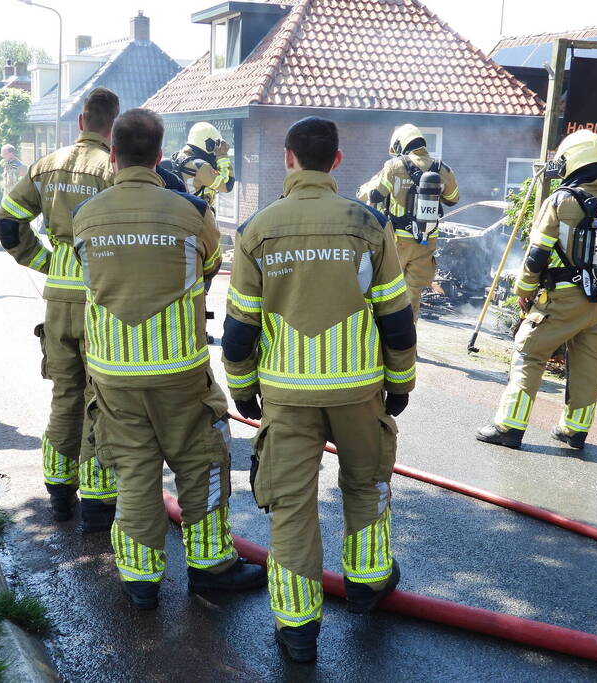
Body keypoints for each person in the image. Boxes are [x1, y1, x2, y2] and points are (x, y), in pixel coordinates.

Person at [222, 117, 417, 663]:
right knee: (367, 482)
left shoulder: (257, 230)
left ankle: (297, 629)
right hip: (359, 392)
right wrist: (399, 383)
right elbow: (396, 319)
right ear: (336, 161)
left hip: (286, 398)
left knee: (291, 507)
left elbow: (239, 331)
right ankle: (369, 583)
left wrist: (242, 392)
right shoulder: (369, 224)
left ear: (288, 159)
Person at [73, 108, 265, 610]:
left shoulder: (85, 216)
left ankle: (139, 580)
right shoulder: (191, 212)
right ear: (160, 156)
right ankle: (210, 568)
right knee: (201, 464)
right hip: (178, 370)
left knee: (134, 471)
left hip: (113, 371)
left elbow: (92, 276)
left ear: (113, 155)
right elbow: (207, 266)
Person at [0, 88, 120, 530]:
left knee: (63, 393)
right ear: (113, 125)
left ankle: (58, 490)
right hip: (99, 299)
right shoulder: (112, 169)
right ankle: (99, 500)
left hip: (57, 299)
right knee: (97, 397)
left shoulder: (45, 165)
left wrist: (42, 259)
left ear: (82, 118)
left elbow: (8, 220)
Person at [477, 130, 597, 451]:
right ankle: (574, 431)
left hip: (561, 299)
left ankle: (508, 426)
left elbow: (537, 254)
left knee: (529, 352)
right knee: (588, 365)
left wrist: (523, 289)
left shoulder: (561, 200)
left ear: (572, 162)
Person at [357, 124, 459, 321]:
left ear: (400, 144)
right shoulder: (441, 168)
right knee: (413, 294)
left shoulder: (394, 166)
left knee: (387, 290)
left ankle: (384, 339)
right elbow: (453, 198)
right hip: (426, 241)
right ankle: (408, 344)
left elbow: (376, 194)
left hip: (398, 241)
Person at [167, 121, 235, 210]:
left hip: (181, 211)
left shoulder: (178, 157)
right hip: (197, 216)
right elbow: (227, 184)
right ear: (208, 144)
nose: (215, 151)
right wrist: (222, 156)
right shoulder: (201, 166)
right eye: (215, 146)